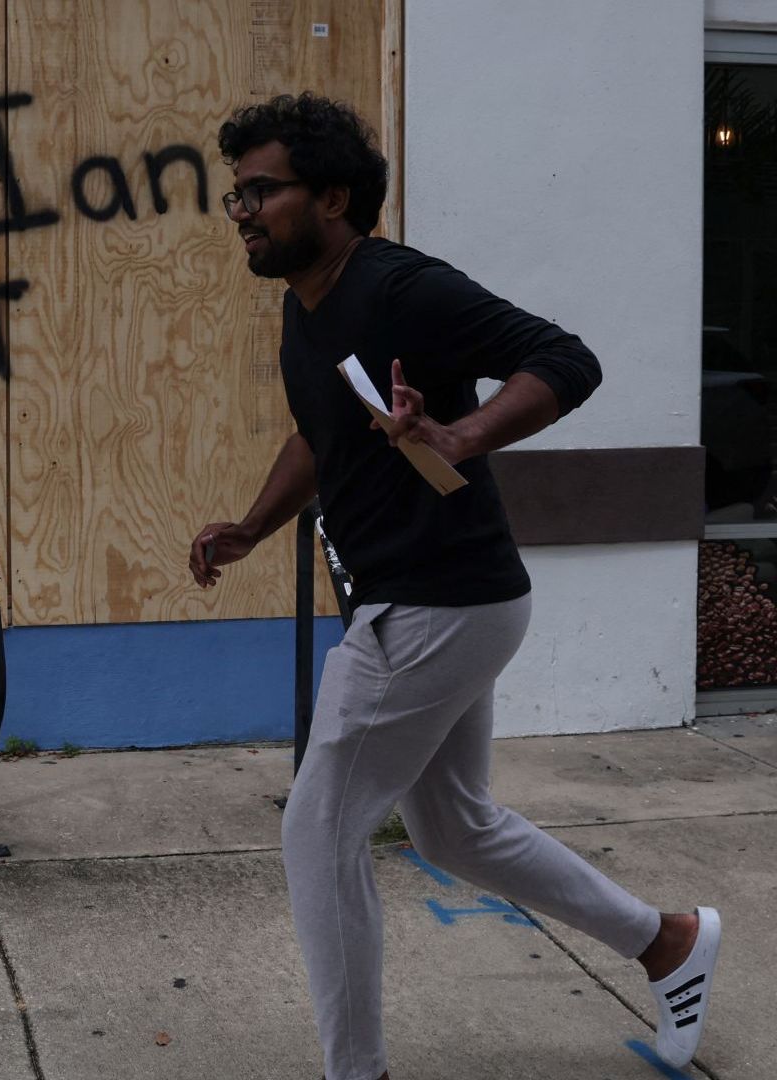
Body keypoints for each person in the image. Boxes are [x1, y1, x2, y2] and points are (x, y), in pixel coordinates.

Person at [187, 92, 721, 1080]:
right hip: (451, 599)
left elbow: (567, 360)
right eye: (237, 196)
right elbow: (318, 432)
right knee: (455, 828)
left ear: (333, 197)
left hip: (433, 600)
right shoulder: (304, 309)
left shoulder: (401, 288)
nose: (243, 212)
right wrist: (253, 526)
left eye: (261, 191)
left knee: (316, 831)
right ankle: (668, 942)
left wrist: (463, 434)